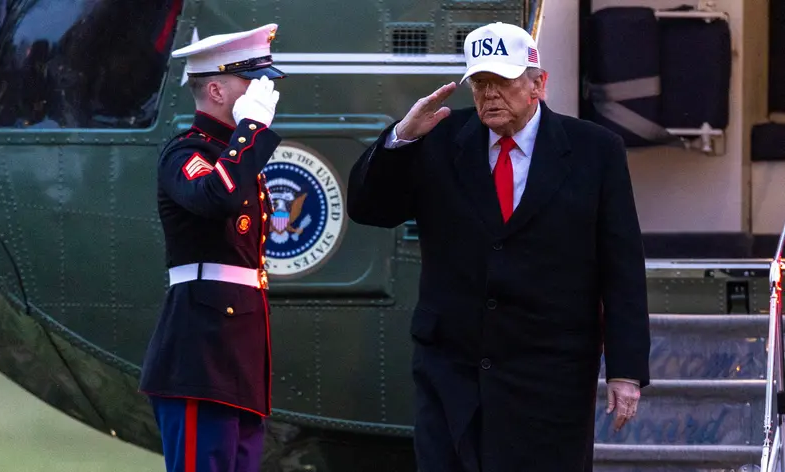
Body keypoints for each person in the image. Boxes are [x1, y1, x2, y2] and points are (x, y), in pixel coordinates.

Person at [346, 22, 651, 472]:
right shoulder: (438, 139)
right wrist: (401, 139)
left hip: (550, 377)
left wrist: (626, 370)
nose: (490, 95)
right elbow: (370, 209)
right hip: (452, 373)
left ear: (538, 84)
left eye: (503, 82)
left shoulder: (595, 151)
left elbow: (621, 265)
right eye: (480, 83)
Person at [138, 23, 285, 472]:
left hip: (238, 354)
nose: (263, 90)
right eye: (251, 80)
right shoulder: (186, 154)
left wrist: (246, 139)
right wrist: (251, 130)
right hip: (199, 355)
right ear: (217, 90)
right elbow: (216, 198)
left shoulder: (235, 158)